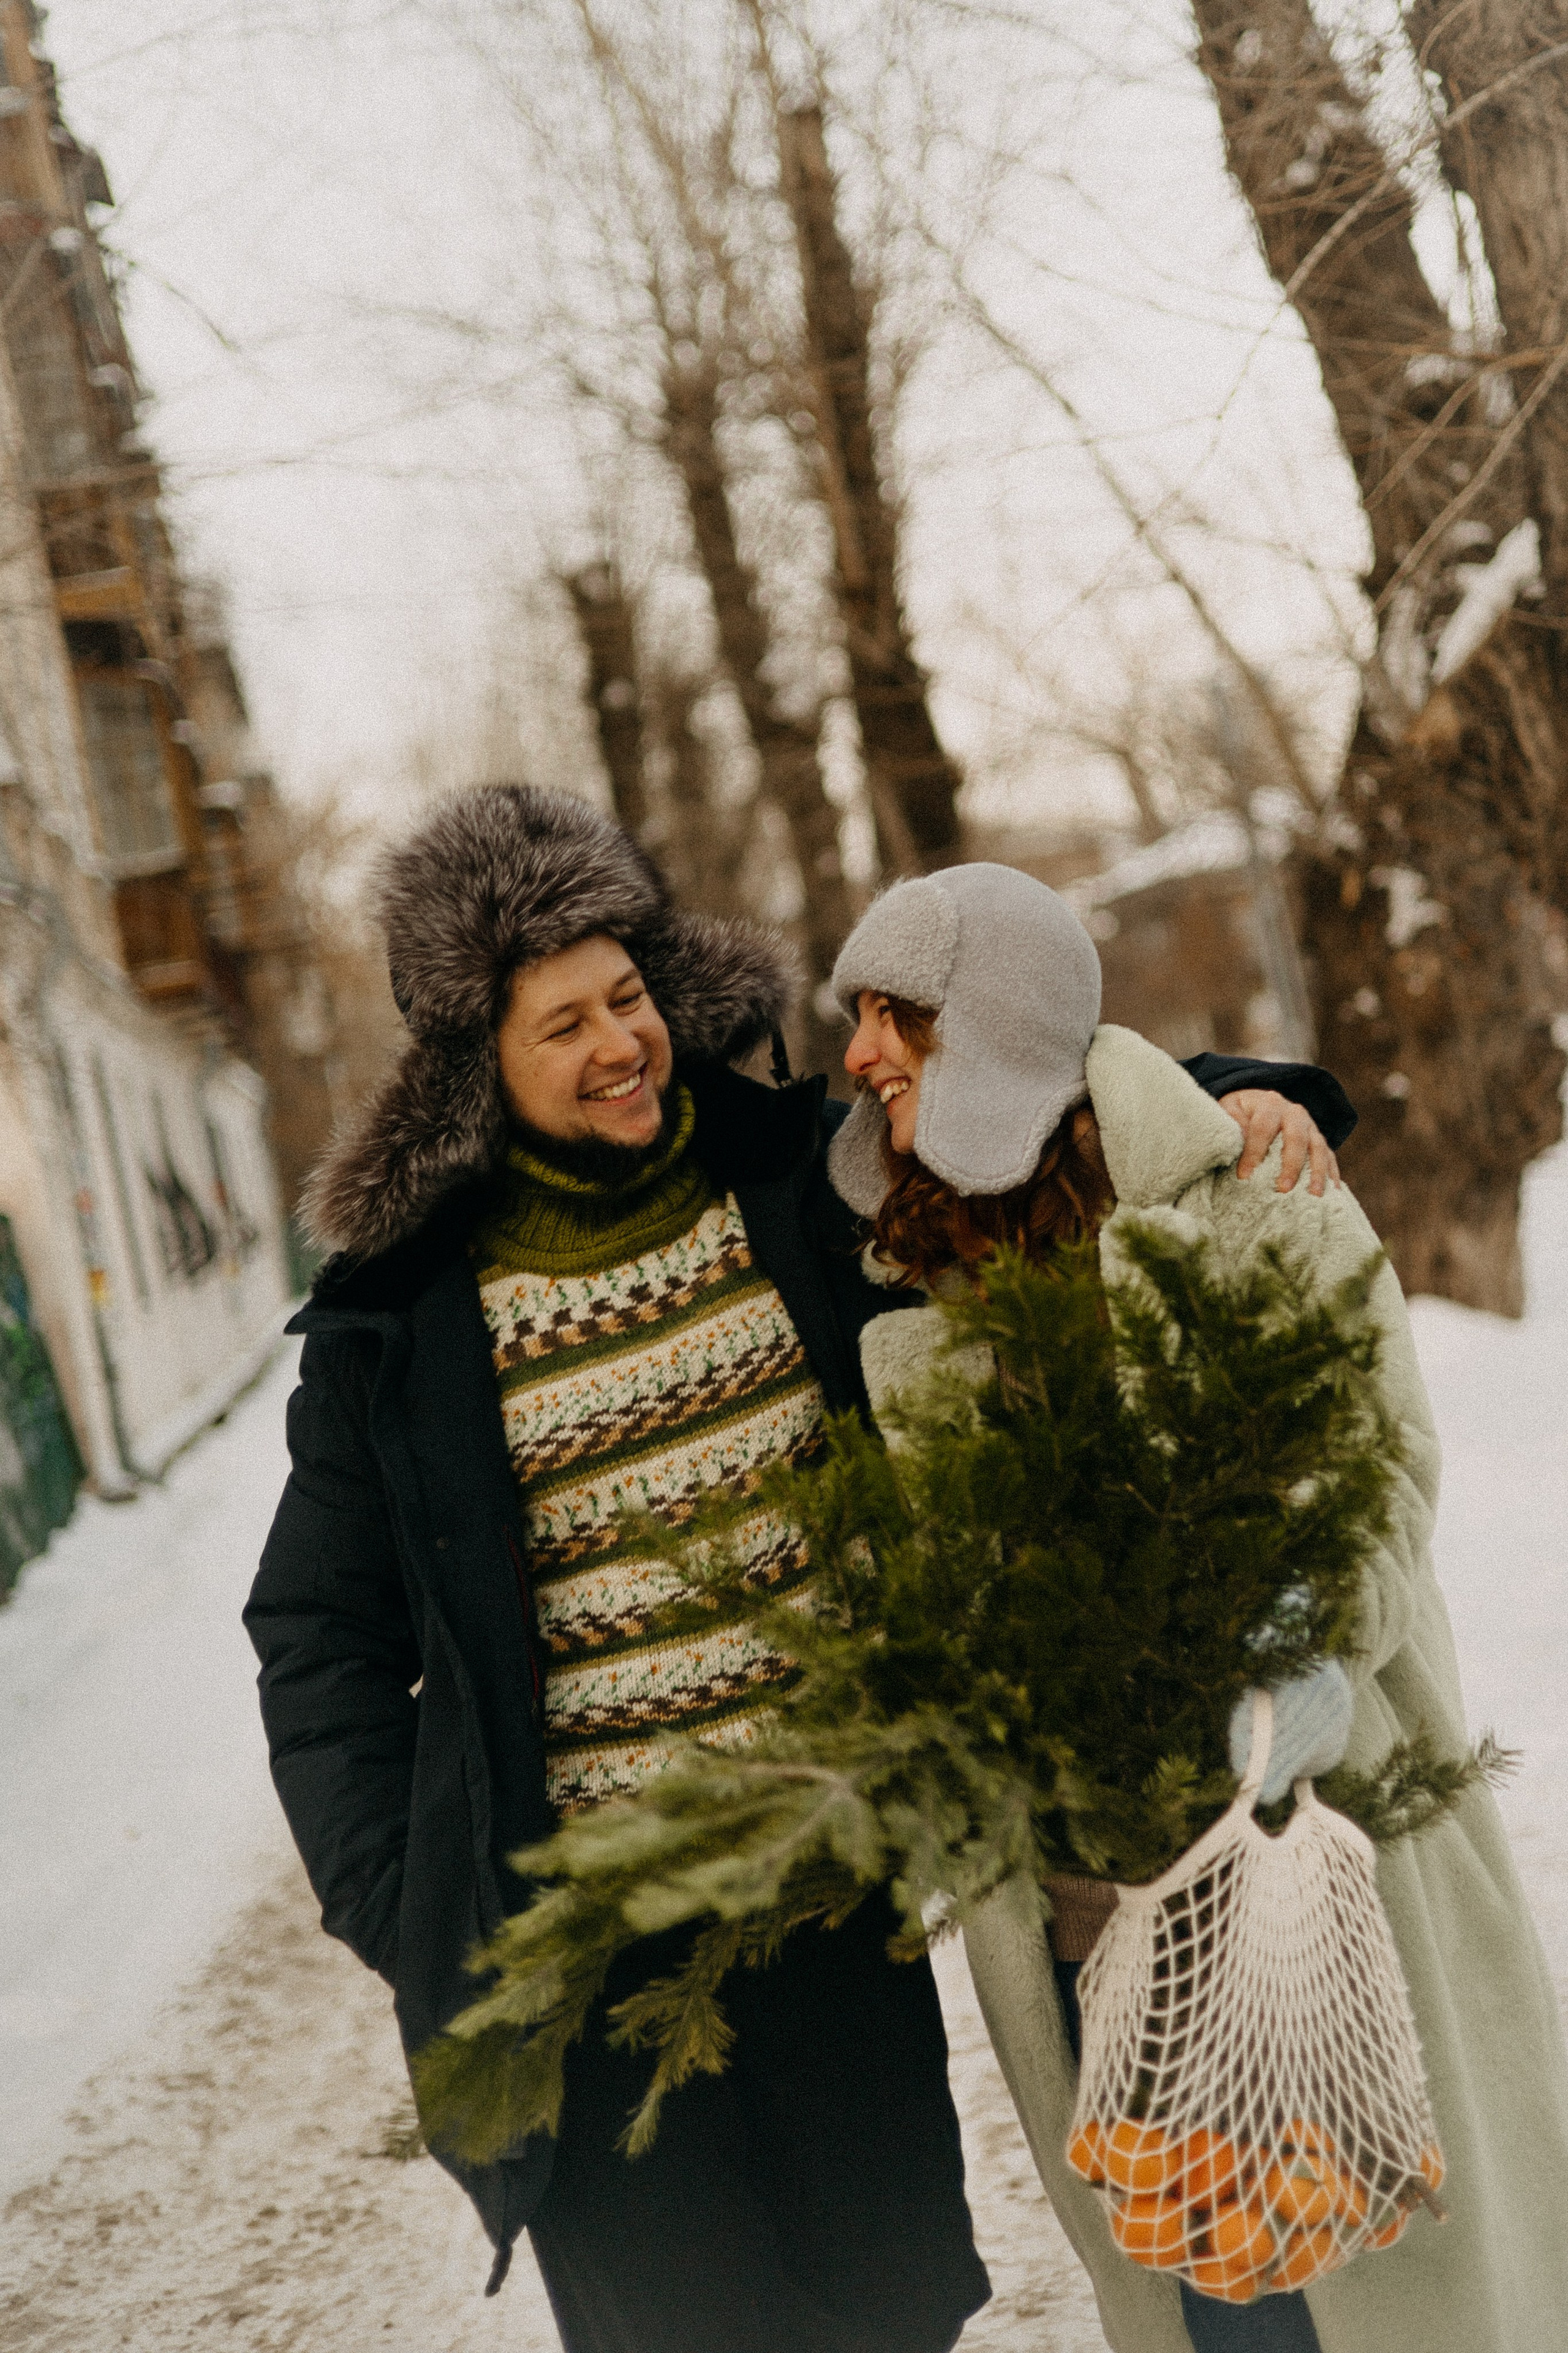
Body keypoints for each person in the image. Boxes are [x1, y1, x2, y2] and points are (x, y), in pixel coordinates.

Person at [244, 788, 1346, 2350]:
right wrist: (407, 1900)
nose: (615, 1043)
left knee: (888, 2302)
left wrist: (1233, 1094)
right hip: (591, 1949)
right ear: (474, 1062)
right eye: (559, 1025)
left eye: (625, 996)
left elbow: (1007, 1098)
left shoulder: (790, 1175)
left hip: (833, 1905)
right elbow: (315, 1637)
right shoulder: (406, 1308)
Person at [827, 859, 1568, 2353]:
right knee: (1225, 2325)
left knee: (1395, 2309)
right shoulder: (920, 1296)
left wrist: (1291, 1628)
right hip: (1106, 1954)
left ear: (997, 1032)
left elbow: (1377, 1479)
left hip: (1319, 1891)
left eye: (893, 1015)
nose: (855, 1053)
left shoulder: (1255, 1194)